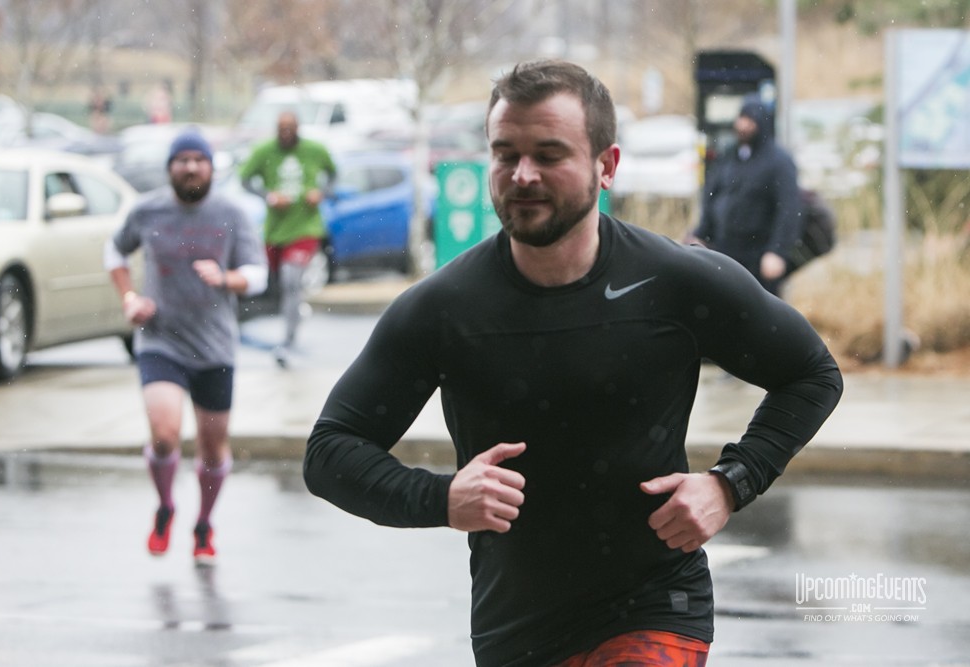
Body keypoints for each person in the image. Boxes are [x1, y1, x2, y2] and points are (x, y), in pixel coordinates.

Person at [303, 60, 843, 667]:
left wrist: (730, 483)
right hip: (516, 628)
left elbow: (812, 374)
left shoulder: (675, 281)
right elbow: (331, 452)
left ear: (606, 166)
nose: (522, 174)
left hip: (656, 606)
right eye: (504, 154)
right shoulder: (445, 308)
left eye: (548, 154)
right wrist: (442, 497)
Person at [105, 130, 267, 565]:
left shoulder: (231, 212)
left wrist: (227, 278)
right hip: (161, 339)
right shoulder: (148, 209)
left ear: (212, 167)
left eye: (200, 160)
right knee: (164, 435)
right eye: (183, 160)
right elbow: (113, 252)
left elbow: (259, 273)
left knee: (213, 448)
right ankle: (165, 506)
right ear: (170, 168)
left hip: (215, 347)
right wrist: (129, 299)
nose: (191, 167)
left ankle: (204, 523)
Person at [239, 111, 336, 367]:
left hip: (306, 226)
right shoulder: (264, 152)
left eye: (290, 127)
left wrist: (321, 193)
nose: (286, 132)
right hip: (276, 229)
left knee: (291, 279)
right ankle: (295, 310)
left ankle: (288, 341)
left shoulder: (315, 150)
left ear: (297, 128)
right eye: (281, 128)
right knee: (279, 284)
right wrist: (269, 196)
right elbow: (245, 179)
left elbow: (333, 175)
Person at [689, 95, 802, 296]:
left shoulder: (779, 162)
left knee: (761, 318)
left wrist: (777, 251)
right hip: (724, 251)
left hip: (758, 257)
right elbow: (712, 197)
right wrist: (701, 234)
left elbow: (789, 209)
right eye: (741, 118)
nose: (742, 125)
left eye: (749, 120)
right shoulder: (729, 156)